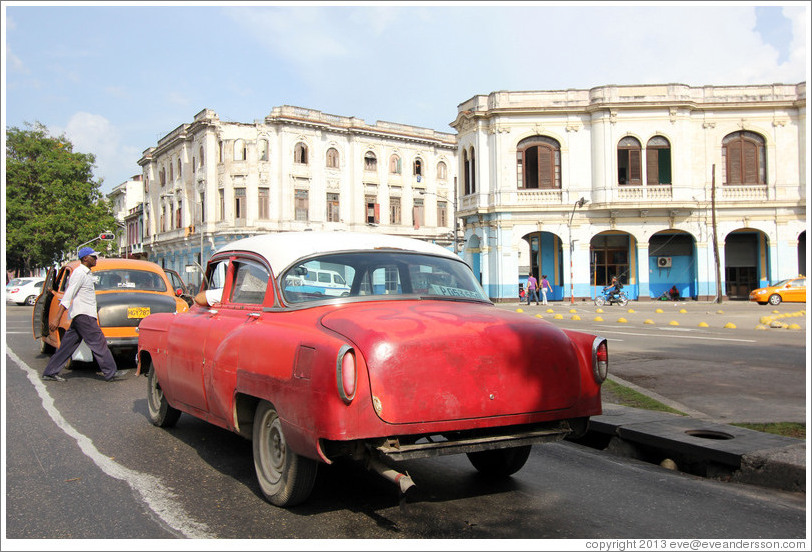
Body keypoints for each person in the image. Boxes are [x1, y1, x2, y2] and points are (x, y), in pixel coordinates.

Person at [41, 247, 121, 382]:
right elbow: (68, 295)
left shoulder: (87, 273)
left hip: (81, 314)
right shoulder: (79, 273)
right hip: (83, 315)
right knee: (98, 341)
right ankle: (110, 372)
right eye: (93, 257)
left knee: (68, 345)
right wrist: (57, 318)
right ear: (85, 258)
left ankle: (50, 372)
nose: (96, 259)